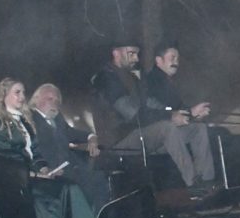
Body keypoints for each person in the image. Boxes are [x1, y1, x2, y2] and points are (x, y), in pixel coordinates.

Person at [0, 77, 95, 218]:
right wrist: (34, 174)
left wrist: (44, 170)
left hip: (34, 175)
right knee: (66, 189)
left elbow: (35, 153)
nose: (22, 97)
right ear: (4, 96)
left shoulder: (25, 122)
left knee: (70, 189)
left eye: (23, 92)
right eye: (17, 93)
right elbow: (5, 158)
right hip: (17, 180)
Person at [91, 39, 216, 195]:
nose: (137, 58)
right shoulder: (106, 79)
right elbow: (133, 114)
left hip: (142, 135)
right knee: (167, 127)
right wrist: (170, 116)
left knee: (197, 129)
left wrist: (189, 112)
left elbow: (152, 104)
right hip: (118, 142)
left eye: (137, 54)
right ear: (116, 53)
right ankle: (192, 185)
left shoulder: (132, 78)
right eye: (132, 54)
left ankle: (207, 181)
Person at [29, 83, 110, 212]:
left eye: (57, 101)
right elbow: (31, 151)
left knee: (100, 178)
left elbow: (71, 133)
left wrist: (91, 137)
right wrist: (43, 170)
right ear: (36, 100)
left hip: (71, 167)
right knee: (86, 186)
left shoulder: (58, 118)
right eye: (50, 99)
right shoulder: (30, 120)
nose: (55, 103)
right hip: (53, 171)